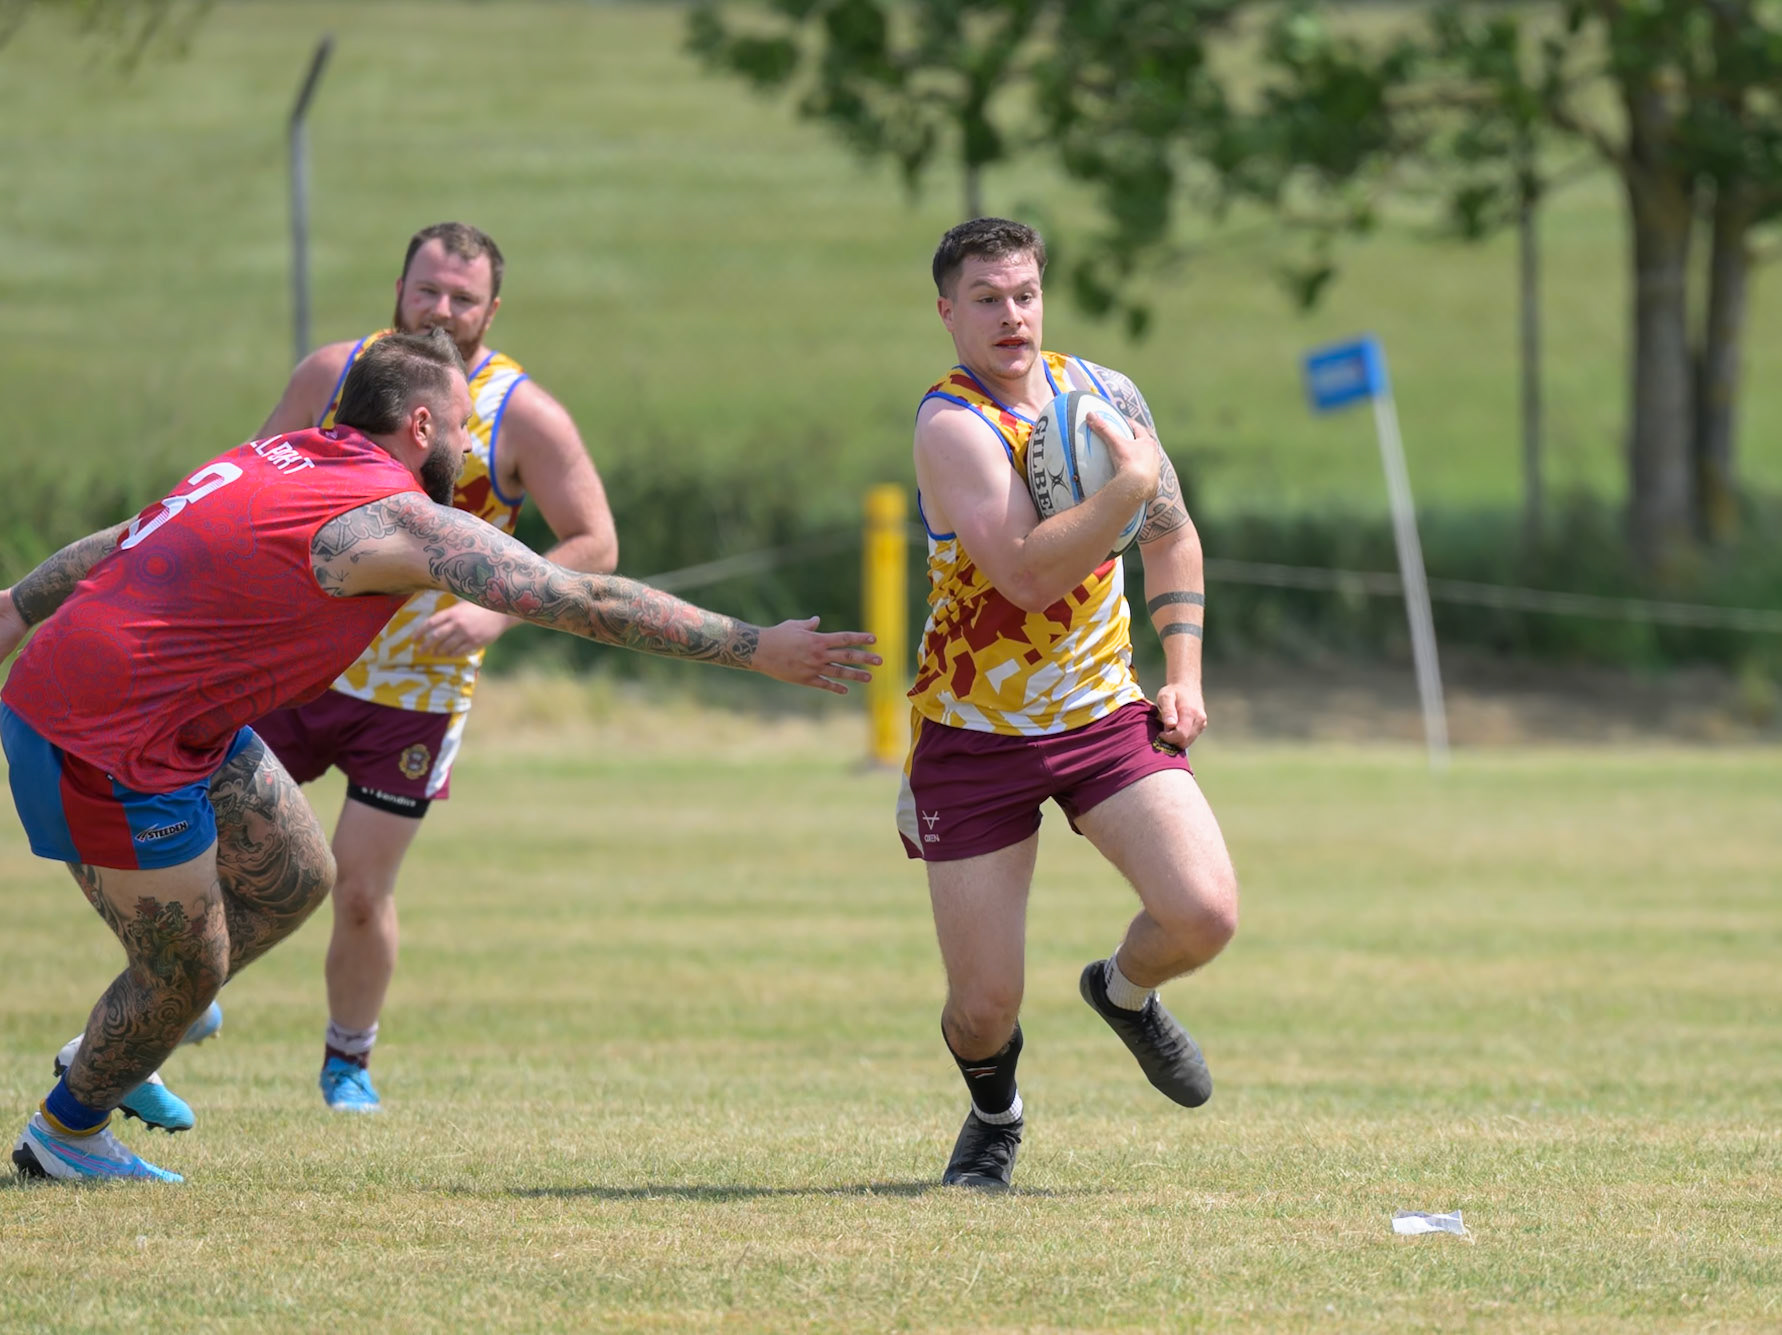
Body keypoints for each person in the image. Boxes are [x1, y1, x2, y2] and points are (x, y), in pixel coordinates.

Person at [2, 329, 877, 1182]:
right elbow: (577, 595)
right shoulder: (389, 517)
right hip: (99, 730)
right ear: (420, 426)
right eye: (461, 429)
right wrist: (753, 645)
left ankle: (120, 1042)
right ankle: (67, 1131)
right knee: (188, 968)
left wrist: (15, 603)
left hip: (170, 714)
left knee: (298, 877)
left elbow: (124, 532)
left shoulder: (273, 457)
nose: (466, 450)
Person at [54, 221, 622, 1121]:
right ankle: (147, 1023)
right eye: (427, 289)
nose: (442, 308)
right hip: (292, 665)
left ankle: (345, 1063)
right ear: (398, 286)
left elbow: (594, 540)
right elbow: (234, 481)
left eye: (463, 297)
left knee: (357, 888)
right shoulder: (337, 375)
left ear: (493, 309)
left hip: (416, 689)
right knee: (204, 859)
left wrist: (490, 610)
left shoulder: (521, 413)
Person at [901, 218, 1239, 1191]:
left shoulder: (1106, 395)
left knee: (1205, 914)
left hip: (1100, 717)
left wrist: (1184, 674)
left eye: (1024, 295)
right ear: (947, 312)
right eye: (986, 299)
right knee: (982, 1005)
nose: (1011, 316)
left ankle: (1123, 993)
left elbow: (1171, 535)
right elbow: (1024, 578)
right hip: (974, 738)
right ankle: (994, 1114)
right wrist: (1127, 481)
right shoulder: (952, 426)